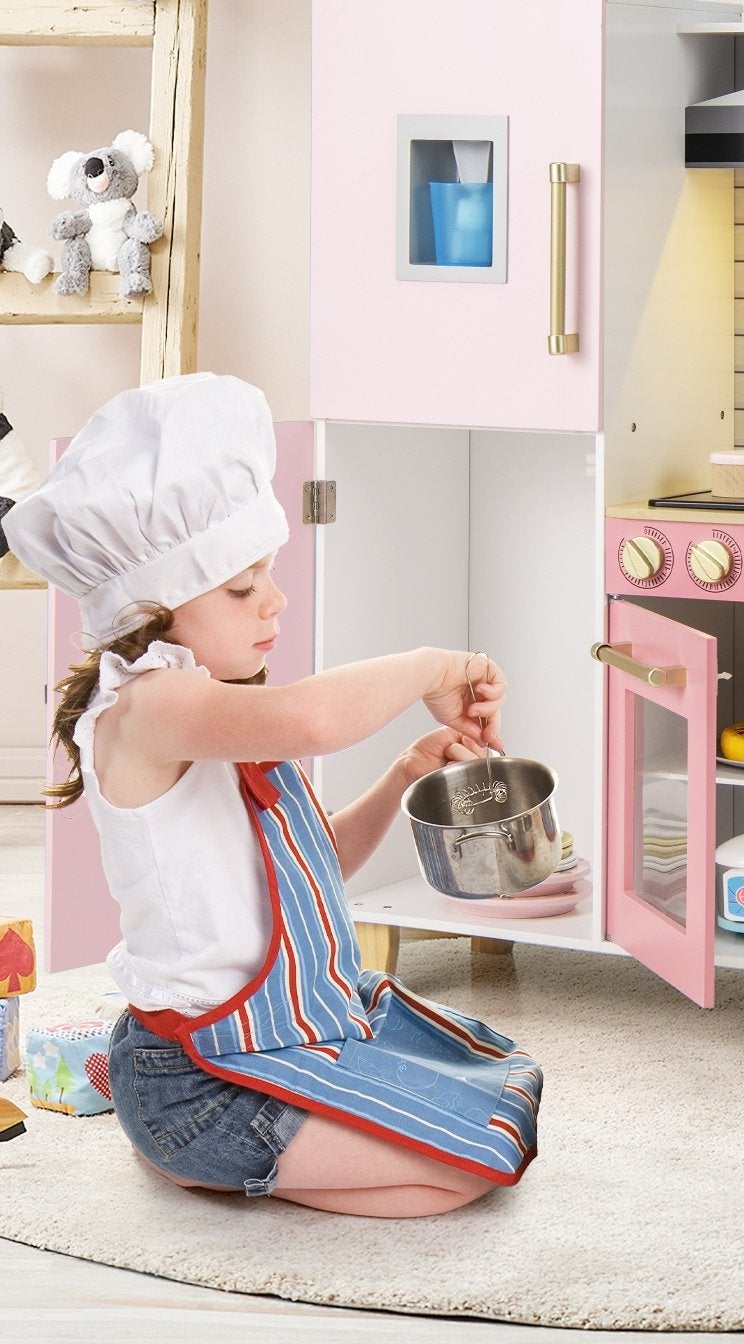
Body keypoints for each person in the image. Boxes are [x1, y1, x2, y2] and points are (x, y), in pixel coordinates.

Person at [6, 373, 541, 1213]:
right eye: (241, 587)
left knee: (494, 1091)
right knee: (465, 1170)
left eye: (268, 576)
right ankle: (207, 1159)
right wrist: (432, 666)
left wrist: (404, 774)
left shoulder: (213, 708)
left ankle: (228, 1155)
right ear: (152, 608)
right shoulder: (151, 707)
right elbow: (316, 717)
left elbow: (316, 869)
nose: (274, 601)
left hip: (259, 1039)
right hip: (197, 1079)